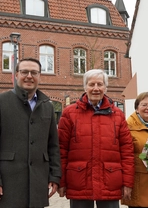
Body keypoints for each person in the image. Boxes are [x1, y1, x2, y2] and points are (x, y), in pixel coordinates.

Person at [0, 58, 62, 208]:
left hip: (38, 184)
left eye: (34, 72)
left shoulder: (47, 106)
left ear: (39, 76)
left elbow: (52, 145)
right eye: (25, 72)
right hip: (6, 184)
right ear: (16, 74)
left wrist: (55, 175)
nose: (29, 76)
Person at [57, 69, 134, 208]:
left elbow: (127, 151)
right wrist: (61, 181)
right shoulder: (69, 113)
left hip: (110, 181)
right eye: (92, 84)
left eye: (100, 84)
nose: (96, 88)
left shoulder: (118, 114)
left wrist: (127, 182)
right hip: (78, 181)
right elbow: (61, 150)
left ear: (105, 87)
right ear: (85, 87)